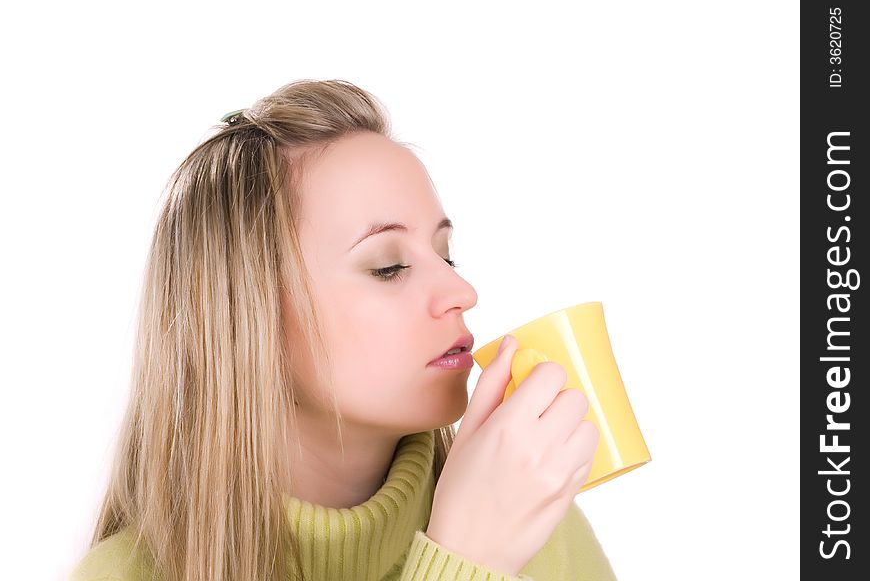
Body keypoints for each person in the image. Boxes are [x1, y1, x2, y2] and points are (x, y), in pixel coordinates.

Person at [69, 79, 618, 581]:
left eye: (446, 256)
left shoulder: (532, 515)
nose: (462, 293)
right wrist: (466, 561)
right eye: (388, 266)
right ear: (247, 316)